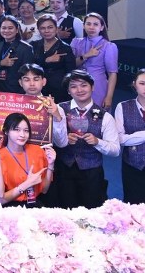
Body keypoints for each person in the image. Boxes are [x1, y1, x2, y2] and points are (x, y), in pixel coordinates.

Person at [55, 70, 119, 209]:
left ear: (92, 87)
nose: (79, 90)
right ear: (68, 91)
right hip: (64, 169)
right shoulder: (59, 109)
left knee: (93, 212)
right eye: (74, 86)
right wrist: (65, 138)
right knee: (65, 211)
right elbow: (51, 140)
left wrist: (98, 142)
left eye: (84, 85)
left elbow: (115, 150)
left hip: (92, 172)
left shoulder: (105, 116)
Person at [115, 69, 145, 205]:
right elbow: (120, 139)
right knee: (132, 205)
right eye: (142, 83)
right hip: (132, 166)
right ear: (134, 84)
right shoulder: (122, 107)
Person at [0, 112, 55, 207]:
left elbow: (44, 190)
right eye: (17, 130)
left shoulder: (38, 151)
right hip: (10, 208)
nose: (22, 135)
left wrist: (51, 164)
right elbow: (0, 200)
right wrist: (27, 184)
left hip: (34, 205)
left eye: (26, 131)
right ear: (6, 131)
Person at [71, 12, 118, 108]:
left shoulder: (108, 46)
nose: (91, 27)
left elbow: (112, 74)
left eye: (95, 24)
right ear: (83, 26)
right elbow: (71, 65)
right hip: (77, 85)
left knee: (97, 114)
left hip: (98, 86)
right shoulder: (76, 42)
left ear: (102, 27)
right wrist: (86, 55)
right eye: (88, 24)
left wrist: (109, 97)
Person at [31, 14, 76, 102]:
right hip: (37, 89)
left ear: (56, 28)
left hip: (59, 90)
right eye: (43, 28)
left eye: (50, 27)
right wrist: (46, 60)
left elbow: (71, 72)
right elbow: (29, 67)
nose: (46, 31)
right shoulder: (34, 45)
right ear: (39, 30)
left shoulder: (65, 48)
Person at [0, 16, 34, 93]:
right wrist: (0, 63)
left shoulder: (26, 48)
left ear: (17, 30)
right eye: (4, 28)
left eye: (10, 28)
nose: (6, 31)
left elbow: (27, 73)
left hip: (15, 90)